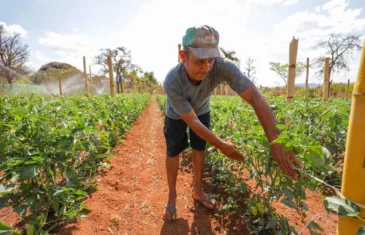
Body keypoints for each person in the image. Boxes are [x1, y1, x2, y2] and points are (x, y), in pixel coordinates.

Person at [162, 25, 303, 223]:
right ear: (183, 56)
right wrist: (222, 146)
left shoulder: (223, 66)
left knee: (199, 147)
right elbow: (191, 121)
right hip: (177, 115)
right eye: (200, 61)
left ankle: (198, 191)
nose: (206, 67)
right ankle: (172, 197)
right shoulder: (172, 81)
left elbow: (255, 96)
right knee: (173, 152)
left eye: (210, 60)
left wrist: (276, 140)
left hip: (201, 109)